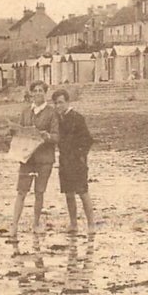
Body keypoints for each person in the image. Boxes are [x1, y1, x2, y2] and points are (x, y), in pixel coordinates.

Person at [8, 80, 60, 236]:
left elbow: (57, 136)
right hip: (26, 157)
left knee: (39, 192)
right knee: (21, 191)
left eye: (41, 91)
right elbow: (19, 132)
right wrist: (14, 131)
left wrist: (47, 136)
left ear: (45, 93)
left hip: (44, 158)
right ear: (31, 93)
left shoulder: (52, 113)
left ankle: (36, 224)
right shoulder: (25, 112)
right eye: (35, 90)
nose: (38, 93)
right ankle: (14, 225)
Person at [52, 89, 96, 235]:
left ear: (67, 102)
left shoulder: (77, 118)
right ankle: (73, 224)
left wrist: (81, 156)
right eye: (56, 103)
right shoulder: (57, 119)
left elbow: (88, 140)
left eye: (61, 102)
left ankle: (91, 225)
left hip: (77, 160)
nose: (58, 106)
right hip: (64, 160)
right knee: (68, 193)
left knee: (83, 192)